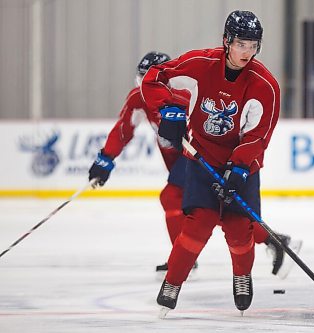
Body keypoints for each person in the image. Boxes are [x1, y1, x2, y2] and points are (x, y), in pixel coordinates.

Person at [88, 51, 301, 279]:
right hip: (186, 160)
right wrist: (106, 158)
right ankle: (276, 241)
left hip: (201, 156)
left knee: (172, 197)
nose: (143, 85)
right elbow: (124, 130)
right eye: (140, 79)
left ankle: (182, 260)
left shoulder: (187, 94)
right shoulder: (139, 98)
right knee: (213, 213)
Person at [140, 10, 289, 315]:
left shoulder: (265, 85)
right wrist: (166, 109)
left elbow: (258, 136)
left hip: (241, 167)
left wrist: (238, 168)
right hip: (201, 156)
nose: (246, 52)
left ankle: (242, 276)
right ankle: (172, 282)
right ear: (226, 41)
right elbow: (154, 78)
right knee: (199, 223)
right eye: (241, 44)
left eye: (252, 45)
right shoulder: (200, 63)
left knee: (239, 229)